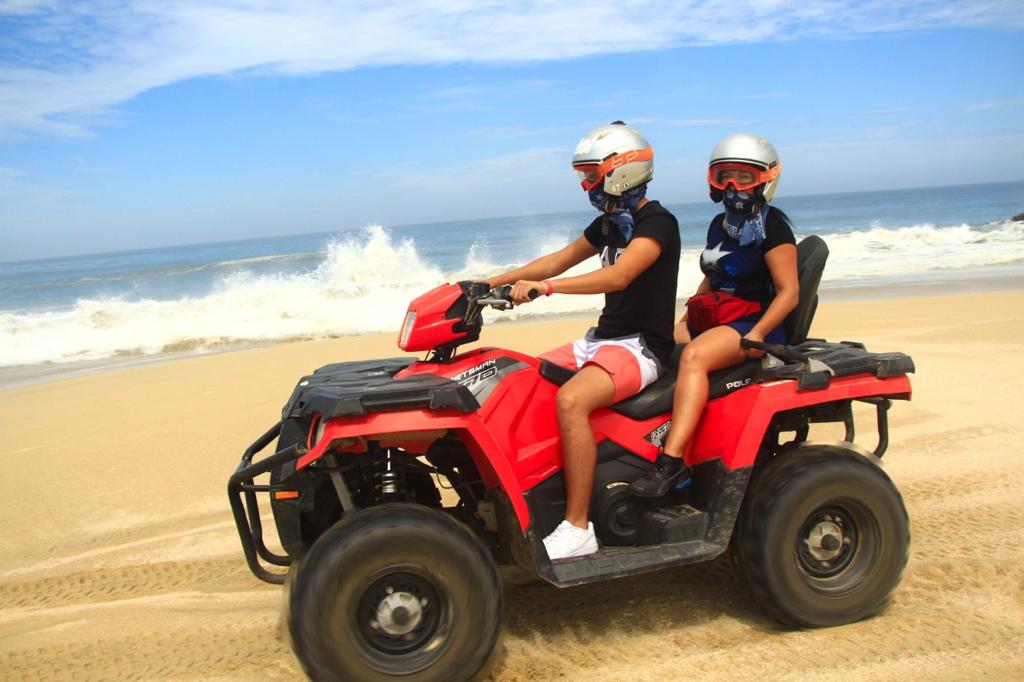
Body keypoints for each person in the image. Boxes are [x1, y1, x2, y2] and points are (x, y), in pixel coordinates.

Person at [488, 122, 680, 559]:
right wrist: (491, 282)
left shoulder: (657, 223)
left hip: (641, 348)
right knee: (523, 379)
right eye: (584, 176)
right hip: (602, 341)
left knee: (571, 400)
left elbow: (620, 275)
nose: (586, 185)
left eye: (592, 175)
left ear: (622, 171)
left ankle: (578, 528)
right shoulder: (609, 223)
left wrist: (547, 289)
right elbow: (557, 260)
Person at [630, 133, 799, 497]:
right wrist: (684, 319)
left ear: (765, 179)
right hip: (719, 317)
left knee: (693, 357)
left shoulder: (773, 228)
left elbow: (789, 292)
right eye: (725, 176)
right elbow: (713, 276)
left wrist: (758, 334)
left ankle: (672, 463)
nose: (732, 186)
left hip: (753, 322)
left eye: (743, 177)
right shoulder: (719, 225)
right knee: (651, 339)